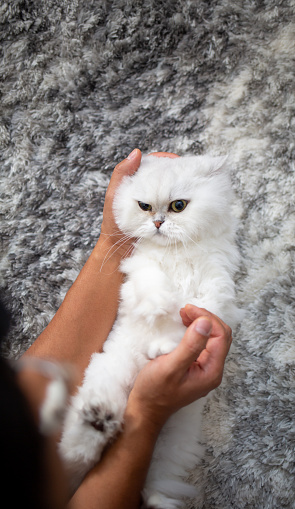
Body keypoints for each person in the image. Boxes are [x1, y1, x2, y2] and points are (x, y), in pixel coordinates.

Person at [0, 149, 233, 509]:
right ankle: (82, 455)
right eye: (145, 208)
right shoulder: (146, 252)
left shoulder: (215, 250)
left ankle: (154, 490)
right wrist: (148, 408)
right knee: (106, 389)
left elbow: (216, 298)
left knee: (172, 445)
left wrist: (111, 241)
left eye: (176, 207)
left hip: (164, 356)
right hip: (132, 350)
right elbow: (139, 280)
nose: (157, 221)